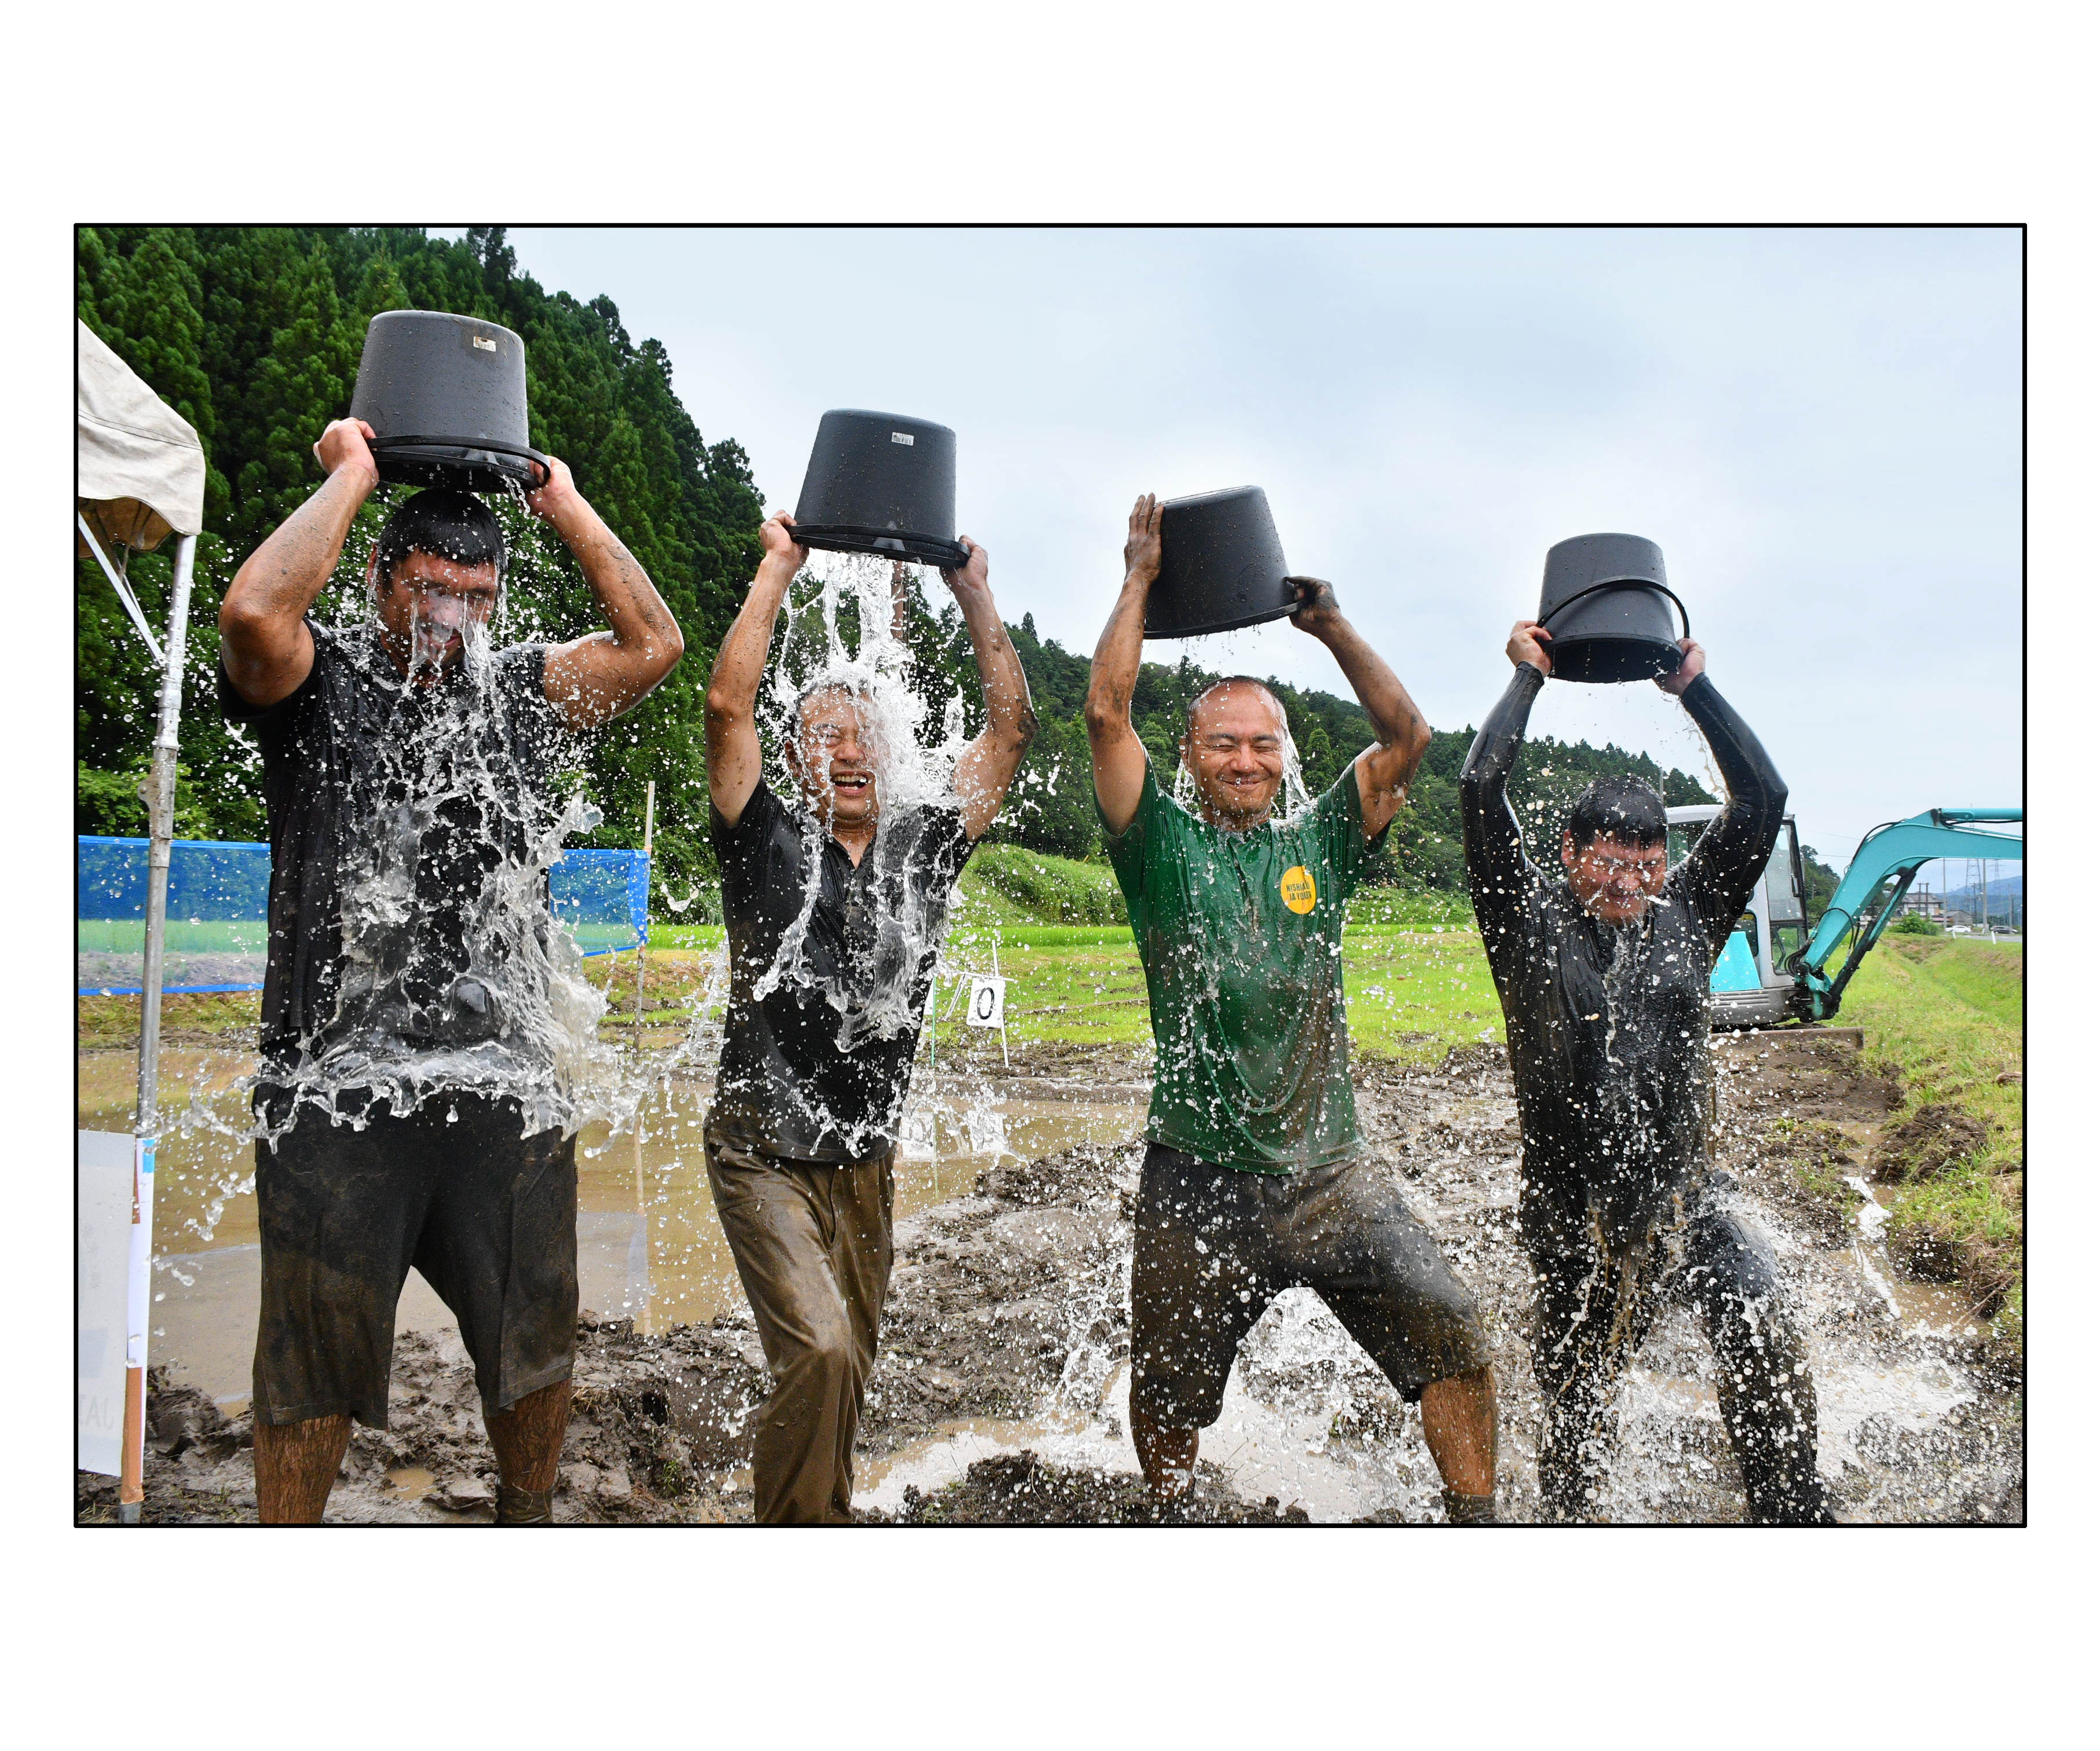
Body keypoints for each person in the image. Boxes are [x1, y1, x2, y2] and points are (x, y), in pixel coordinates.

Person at [218, 416, 683, 1524]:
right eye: (428, 590)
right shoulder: (315, 683)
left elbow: (654, 646)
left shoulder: (516, 691)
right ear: (380, 581)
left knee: (534, 1338)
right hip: (333, 1081)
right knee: (311, 1359)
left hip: (502, 1076)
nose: (448, 619)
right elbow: (250, 613)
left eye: (474, 600)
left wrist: (562, 507)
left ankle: (525, 1527)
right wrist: (355, 476)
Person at [1085, 494, 1501, 1523]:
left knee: (1453, 1334)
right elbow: (1104, 713)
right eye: (1223, 743)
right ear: (1189, 757)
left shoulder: (1320, 843)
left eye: (1263, 744)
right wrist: (1139, 578)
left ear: (1285, 753)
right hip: (1195, 1178)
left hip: (1332, 1173)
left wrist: (1329, 626)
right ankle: (1172, 1514)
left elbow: (1407, 737)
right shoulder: (1157, 846)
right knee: (1167, 1385)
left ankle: (1479, 1527)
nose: (1245, 761)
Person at [702, 514, 1036, 1524]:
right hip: (761, 1148)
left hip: (865, 1159)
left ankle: (821, 1514)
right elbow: (726, 707)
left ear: (891, 753)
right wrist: (776, 569)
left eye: (865, 735)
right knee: (822, 1347)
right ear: (798, 759)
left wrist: (972, 591)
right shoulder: (760, 840)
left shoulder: (925, 844)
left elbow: (1011, 732)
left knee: (849, 1372)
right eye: (823, 735)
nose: (847, 751)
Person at [1459, 618, 1828, 1523]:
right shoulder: (1524, 928)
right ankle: (1574, 1524)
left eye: (1645, 862)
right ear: (1566, 854)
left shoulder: (1689, 917)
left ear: (1665, 861)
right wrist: (1528, 679)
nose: (1627, 882)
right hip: (1571, 1212)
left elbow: (1762, 797)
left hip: (1685, 1196)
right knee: (1580, 1398)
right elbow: (1478, 785)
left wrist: (1693, 688)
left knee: (1759, 1320)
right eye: (1607, 861)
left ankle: (1790, 1511)